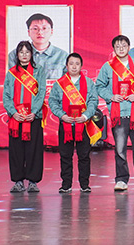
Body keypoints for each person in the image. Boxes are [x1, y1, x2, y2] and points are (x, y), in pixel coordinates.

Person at [95, 35, 134, 192]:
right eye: (117, 46)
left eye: (124, 45)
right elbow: (99, 86)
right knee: (120, 150)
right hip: (118, 114)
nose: (121, 48)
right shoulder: (108, 67)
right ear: (113, 49)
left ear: (129, 47)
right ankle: (121, 180)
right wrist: (111, 96)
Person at [49, 53, 100, 194]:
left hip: (83, 125)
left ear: (81, 66)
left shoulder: (88, 83)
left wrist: (85, 116)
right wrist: (62, 115)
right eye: (71, 63)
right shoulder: (60, 84)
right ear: (66, 66)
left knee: (84, 156)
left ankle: (84, 184)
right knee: (65, 156)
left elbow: (93, 101)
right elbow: (52, 101)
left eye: (77, 64)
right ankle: (66, 185)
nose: (74, 66)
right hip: (66, 124)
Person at [3, 41, 47, 193]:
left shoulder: (39, 71)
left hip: (33, 117)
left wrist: (33, 111)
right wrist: (13, 112)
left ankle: (33, 181)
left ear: (31, 54)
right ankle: (18, 181)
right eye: (21, 52)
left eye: (27, 52)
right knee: (17, 150)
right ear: (17, 55)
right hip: (16, 119)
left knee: (34, 149)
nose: (24, 55)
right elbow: (6, 95)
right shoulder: (11, 73)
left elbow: (41, 92)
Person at [7, 13, 68, 80]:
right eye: (35, 28)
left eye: (44, 28)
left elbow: (68, 83)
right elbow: (10, 82)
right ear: (29, 32)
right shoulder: (14, 56)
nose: (40, 32)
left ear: (51, 31)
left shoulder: (63, 56)